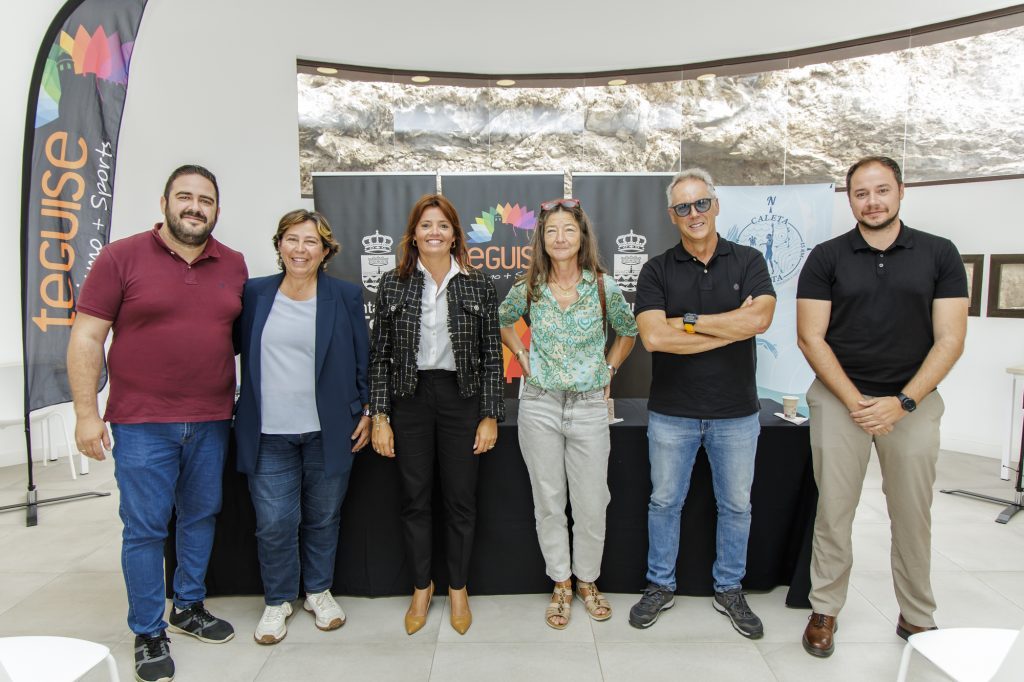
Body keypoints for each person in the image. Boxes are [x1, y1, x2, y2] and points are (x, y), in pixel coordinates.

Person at [68, 165, 247, 682]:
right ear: (165, 201)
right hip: (143, 422)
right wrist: (85, 411)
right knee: (145, 529)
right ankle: (148, 631)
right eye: (185, 197)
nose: (195, 207)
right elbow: (86, 337)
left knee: (200, 517)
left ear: (217, 209)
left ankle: (188, 606)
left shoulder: (231, 264)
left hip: (213, 418)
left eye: (206, 200)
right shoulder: (121, 256)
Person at [796, 156, 968, 658]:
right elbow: (810, 337)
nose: (872, 201)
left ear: (900, 191)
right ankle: (824, 608)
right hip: (838, 399)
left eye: (881, 190)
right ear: (849, 199)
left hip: (912, 402)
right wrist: (856, 402)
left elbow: (951, 339)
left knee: (912, 514)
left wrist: (903, 401)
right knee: (834, 512)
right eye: (861, 193)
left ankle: (917, 616)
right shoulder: (826, 257)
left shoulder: (940, 254)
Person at [628, 168, 776, 638]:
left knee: (736, 506)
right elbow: (653, 337)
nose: (693, 214)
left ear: (715, 205)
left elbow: (762, 320)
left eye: (700, 204)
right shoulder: (656, 269)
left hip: (737, 412)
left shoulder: (749, 259)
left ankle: (729, 588)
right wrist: (730, 325)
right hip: (672, 411)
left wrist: (688, 322)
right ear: (671, 215)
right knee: (664, 502)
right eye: (682, 207)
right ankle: (659, 585)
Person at [368, 194, 504, 636]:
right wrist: (381, 416)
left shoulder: (478, 283)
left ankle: (459, 588)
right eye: (426, 225)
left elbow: (491, 357)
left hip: (460, 398)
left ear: (454, 235)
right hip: (409, 398)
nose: (434, 232)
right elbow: (379, 357)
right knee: (414, 499)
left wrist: (489, 415)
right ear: (413, 235)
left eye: (442, 225)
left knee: (461, 499)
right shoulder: (393, 282)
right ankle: (422, 587)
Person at [498, 198, 637, 629]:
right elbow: (504, 320)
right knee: (549, 501)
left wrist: (609, 368)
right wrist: (521, 353)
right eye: (552, 230)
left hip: (589, 407)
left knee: (593, 503)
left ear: (582, 238)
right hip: (539, 403)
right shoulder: (529, 288)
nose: (560, 238)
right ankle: (560, 582)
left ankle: (588, 581)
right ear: (541, 238)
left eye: (568, 230)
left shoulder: (603, 287)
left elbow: (628, 332)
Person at [234, 209, 371, 644]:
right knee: (274, 521)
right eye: (292, 239)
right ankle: (277, 601)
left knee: (323, 518)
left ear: (326, 250)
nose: (300, 249)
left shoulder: (345, 296)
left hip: (329, 430)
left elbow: (364, 358)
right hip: (267, 433)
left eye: (311, 241)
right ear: (279, 245)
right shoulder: (254, 294)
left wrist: (368, 411)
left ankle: (317, 591)